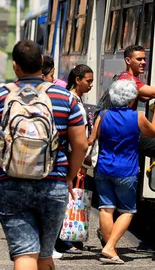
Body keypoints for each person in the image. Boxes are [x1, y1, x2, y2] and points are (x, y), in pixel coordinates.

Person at [0, 40, 88, 270]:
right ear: (41, 63)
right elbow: (80, 144)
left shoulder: (1, 97)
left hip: (12, 184)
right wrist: (68, 176)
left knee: (25, 254)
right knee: (45, 255)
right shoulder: (66, 98)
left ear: (15, 66)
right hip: (54, 184)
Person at [88, 79, 155, 264]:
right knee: (127, 211)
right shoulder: (137, 117)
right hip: (126, 170)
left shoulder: (103, 114)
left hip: (103, 168)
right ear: (132, 99)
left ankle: (110, 249)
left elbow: (93, 138)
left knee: (106, 209)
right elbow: (154, 132)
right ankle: (110, 247)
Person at [54, 64, 94, 256]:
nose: (91, 85)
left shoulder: (73, 99)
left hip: (72, 157)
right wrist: (78, 163)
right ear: (77, 80)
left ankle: (69, 239)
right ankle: (63, 240)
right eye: (88, 81)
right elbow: (75, 138)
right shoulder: (73, 102)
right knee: (68, 198)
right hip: (72, 157)